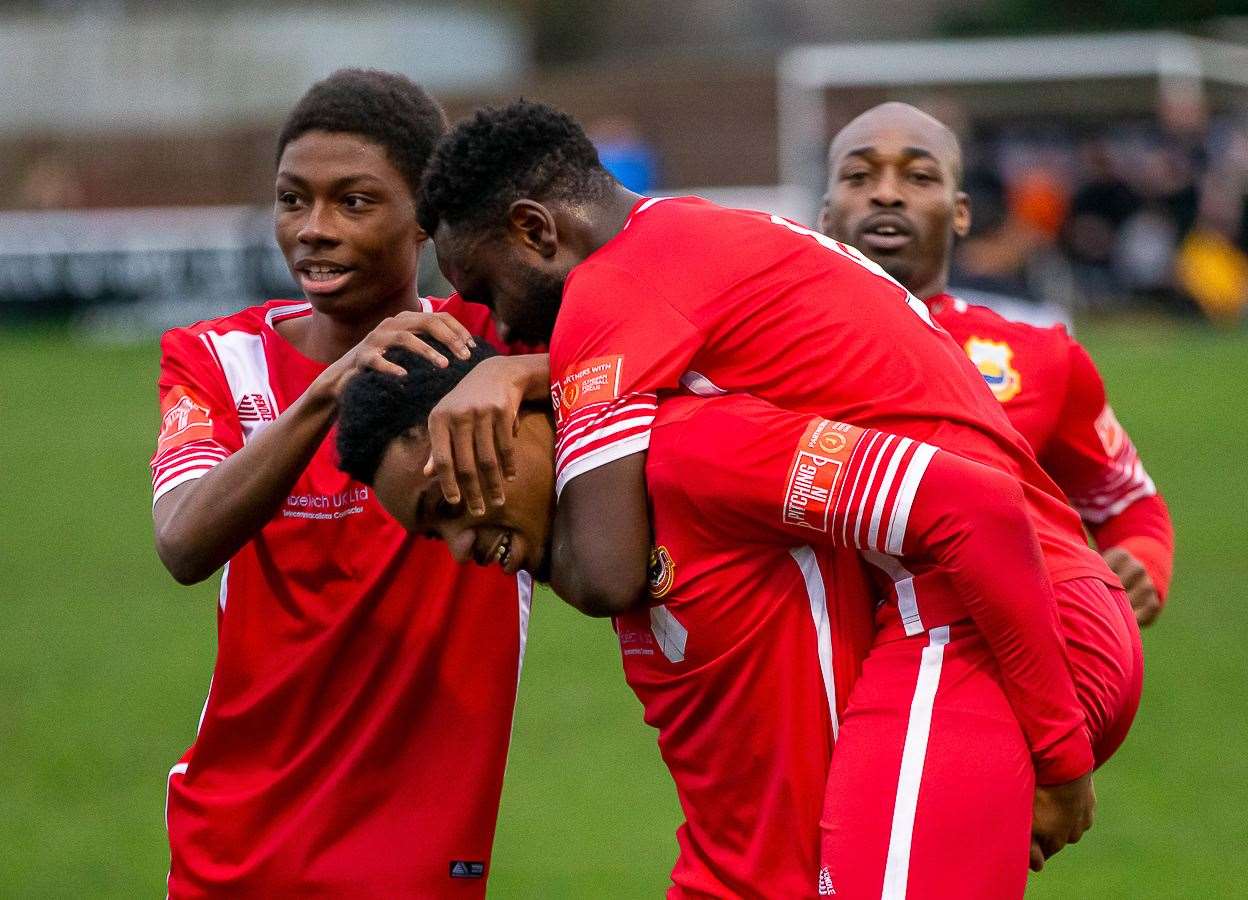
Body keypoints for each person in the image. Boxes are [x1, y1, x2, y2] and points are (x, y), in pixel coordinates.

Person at [415, 101, 1114, 892]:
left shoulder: (608, 295)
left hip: (987, 613)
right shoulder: (692, 236)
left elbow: (605, 573)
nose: (499, 327)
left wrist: (1060, 760)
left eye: (485, 287)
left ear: (537, 231)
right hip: (1002, 598)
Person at [334, 342, 1075, 898]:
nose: (461, 548)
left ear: (502, 418)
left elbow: (969, 506)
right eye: (435, 535)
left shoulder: (697, 454)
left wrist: (1057, 760)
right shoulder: (601, 562)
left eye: (450, 503)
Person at [149, 70, 531, 897]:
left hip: (422, 847)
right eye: (293, 200)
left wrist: (521, 371)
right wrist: (331, 389)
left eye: (354, 202)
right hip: (238, 848)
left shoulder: (487, 345)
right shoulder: (218, 358)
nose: (314, 230)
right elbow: (182, 542)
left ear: (425, 218)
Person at [817, 101, 1174, 628]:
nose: (887, 193)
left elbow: (1127, 501)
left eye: (918, 176)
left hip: (981, 668)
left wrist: (1143, 559)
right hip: (807, 682)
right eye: (858, 175)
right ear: (826, 214)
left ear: (960, 211)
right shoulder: (757, 354)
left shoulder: (1039, 356)